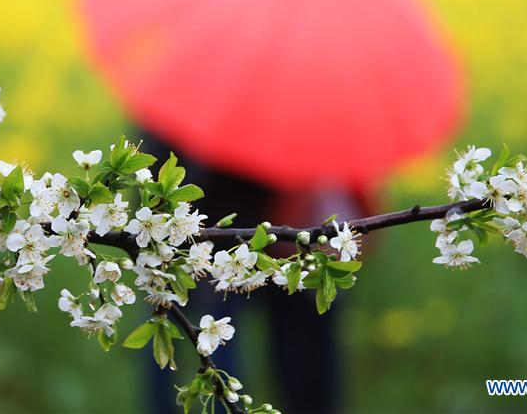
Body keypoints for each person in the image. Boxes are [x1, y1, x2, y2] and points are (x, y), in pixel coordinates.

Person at [140, 131, 373, 414]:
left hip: (264, 232)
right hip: (203, 229)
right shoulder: (187, 128)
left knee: (297, 351)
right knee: (196, 334)